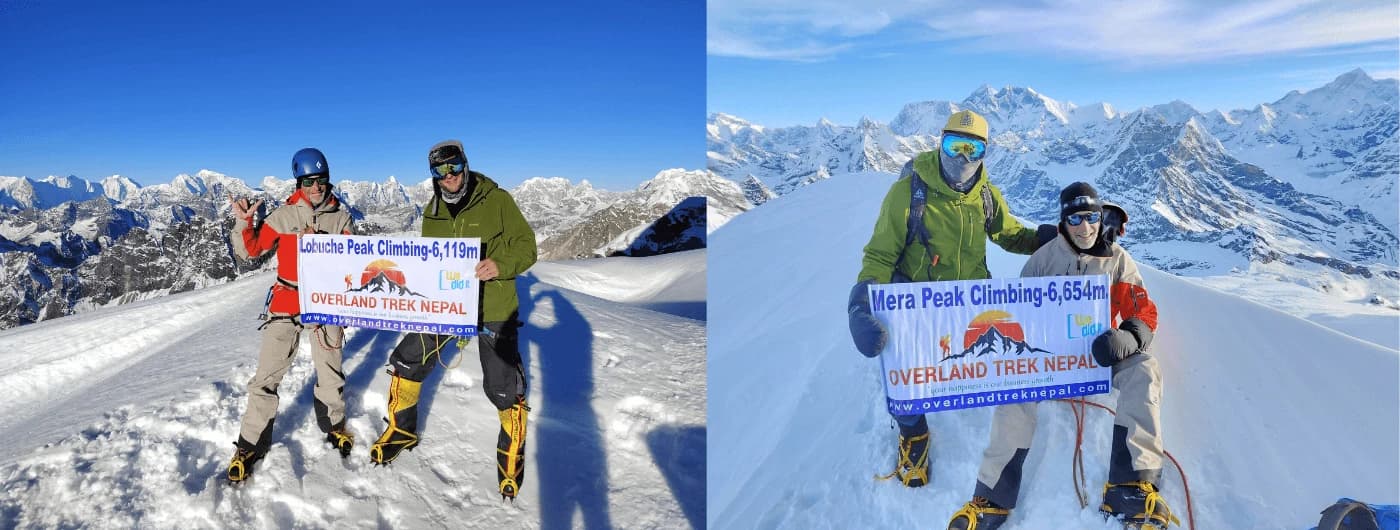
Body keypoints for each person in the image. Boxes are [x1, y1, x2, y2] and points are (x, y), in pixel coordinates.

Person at [947, 182, 1174, 530]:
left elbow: (1143, 311)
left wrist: (1128, 337)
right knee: (1013, 392)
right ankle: (992, 498)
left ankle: (1129, 486)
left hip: (1099, 361)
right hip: (1049, 364)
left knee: (1145, 368)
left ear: (1101, 217)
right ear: (1063, 222)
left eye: (1091, 218)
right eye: (1075, 219)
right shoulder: (1043, 260)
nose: (1085, 227)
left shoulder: (1117, 261)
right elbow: (1019, 316)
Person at [847, 110, 1050, 488]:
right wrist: (860, 302)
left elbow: (1009, 235)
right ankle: (914, 434)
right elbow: (879, 254)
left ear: (984, 153)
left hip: (969, 302)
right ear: (939, 144)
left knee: (983, 355)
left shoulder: (985, 195)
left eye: (972, 148)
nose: (962, 157)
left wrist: (1047, 238)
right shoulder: (908, 193)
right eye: (954, 145)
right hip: (917, 304)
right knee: (905, 372)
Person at [369, 139, 538, 501]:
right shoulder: (432, 208)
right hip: (448, 306)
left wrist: (501, 266)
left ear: (465, 164)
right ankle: (402, 431)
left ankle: (511, 456)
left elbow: (527, 246)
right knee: (407, 360)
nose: (448, 177)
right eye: (439, 171)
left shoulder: (497, 200)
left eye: (454, 167)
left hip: (493, 305)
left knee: (503, 385)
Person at [226, 147, 355, 483]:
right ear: (299, 181)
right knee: (266, 376)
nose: (317, 187)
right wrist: (244, 221)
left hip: (325, 304)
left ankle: (334, 425)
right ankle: (250, 444)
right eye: (309, 181)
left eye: (322, 180)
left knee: (330, 372)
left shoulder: (341, 218)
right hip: (286, 301)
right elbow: (251, 251)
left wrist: (324, 245)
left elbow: (354, 265)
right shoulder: (283, 217)